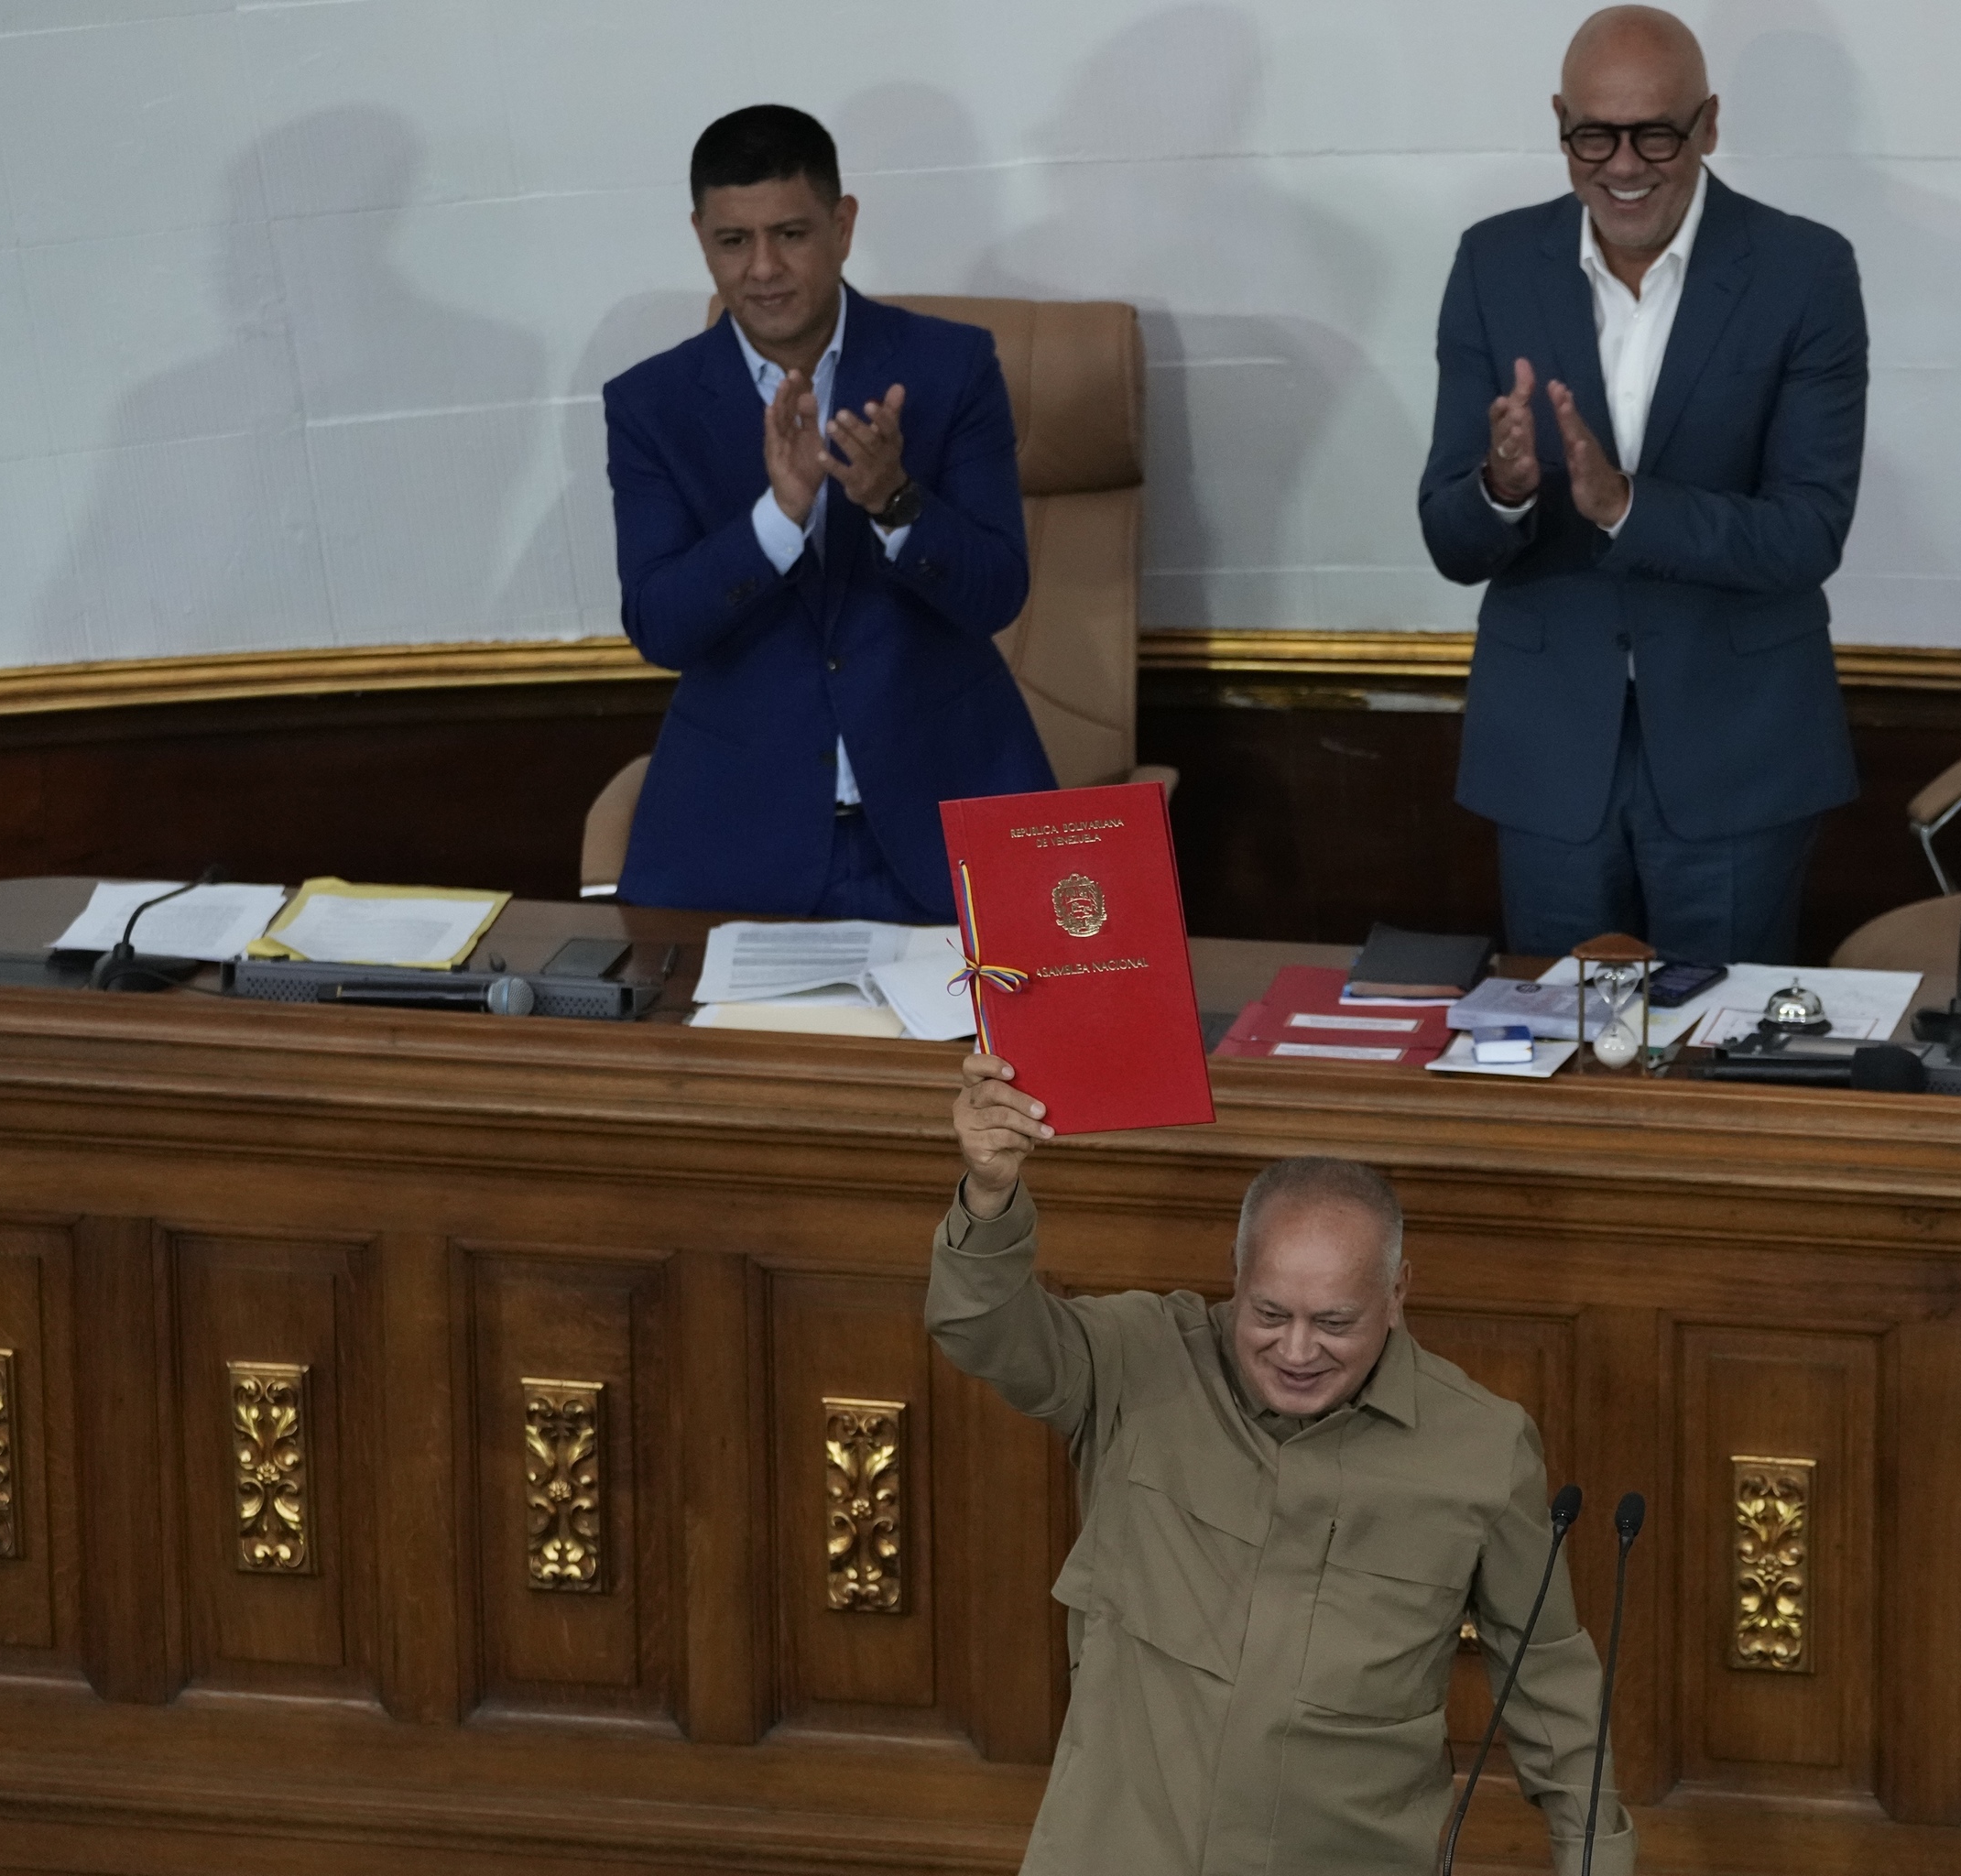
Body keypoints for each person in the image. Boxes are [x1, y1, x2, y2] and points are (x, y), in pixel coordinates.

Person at [932, 1053, 1633, 1876]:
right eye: (1269, 1314)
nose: (1297, 1351)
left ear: (1398, 1292)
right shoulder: (1139, 1362)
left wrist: (1595, 1860)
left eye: (1334, 1321)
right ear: (1236, 1275)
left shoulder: (1481, 1448)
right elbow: (981, 1330)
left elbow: (1549, 1678)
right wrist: (989, 1196)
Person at [1418, 6, 1868, 965]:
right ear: (1560, 123)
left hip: (1739, 748)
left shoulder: (1804, 270)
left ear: (1708, 125)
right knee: (1561, 1057)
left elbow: (1807, 532)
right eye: (1595, 135)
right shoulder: (1492, 264)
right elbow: (1449, 539)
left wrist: (1628, 506)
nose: (1624, 166)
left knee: (1724, 1069)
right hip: (1548, 753)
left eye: (1656, 133)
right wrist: (1501, 488)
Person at [604, 104, 1052, 920]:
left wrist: (894, 500)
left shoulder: (951, 367)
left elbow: (999, 593)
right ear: (701, 236)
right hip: (741, 842)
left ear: (843, 226)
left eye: (792, 234)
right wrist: (777, 518)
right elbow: (660, 628)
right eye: (734, 242)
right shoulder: (650, 405)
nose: (764, 269)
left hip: (944, 820)